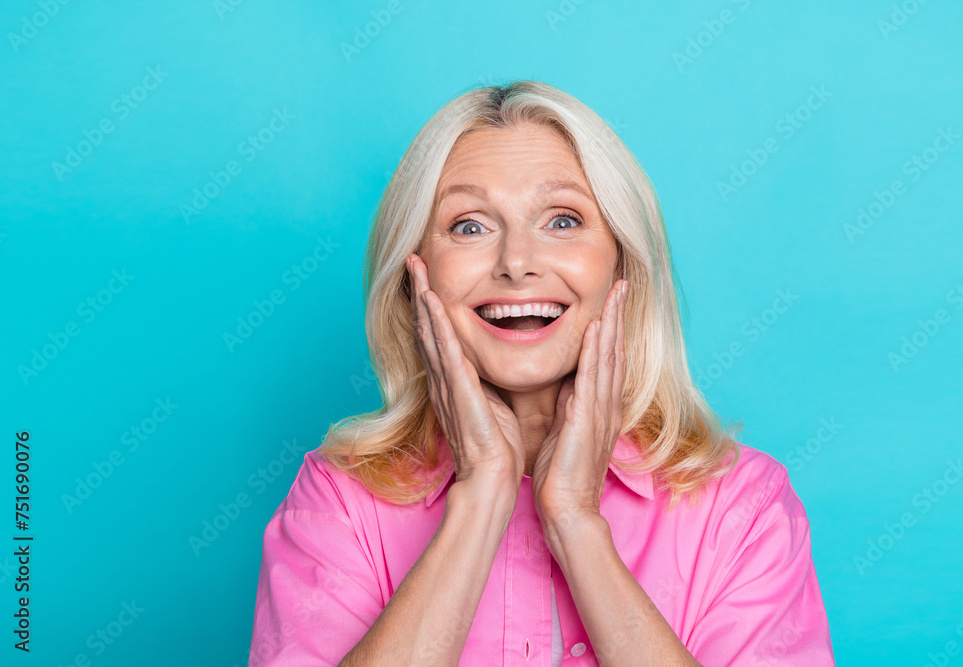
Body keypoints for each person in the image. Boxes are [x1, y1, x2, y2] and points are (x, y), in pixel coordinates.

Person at [248, 80, 836, 666]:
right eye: (470, 226)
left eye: (561, 220)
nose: (517, 264)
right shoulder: (340, 499)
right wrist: (480, 497)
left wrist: (577, 523)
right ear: (414, 274)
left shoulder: (743, 506)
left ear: (622, 264)